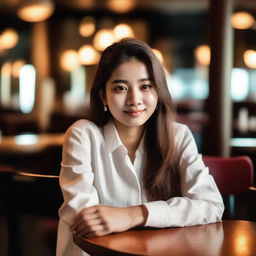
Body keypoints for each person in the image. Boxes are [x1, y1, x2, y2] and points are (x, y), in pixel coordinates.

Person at [56, 38, 224, 256]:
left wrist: (135, 215)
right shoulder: (83, 135)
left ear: (158, 91)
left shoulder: (178, 136)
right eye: (120, 88)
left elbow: (211, 205)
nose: (134, 99)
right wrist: (167, 214)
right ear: (102, 95)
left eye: (145, 86)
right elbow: (90, 223)